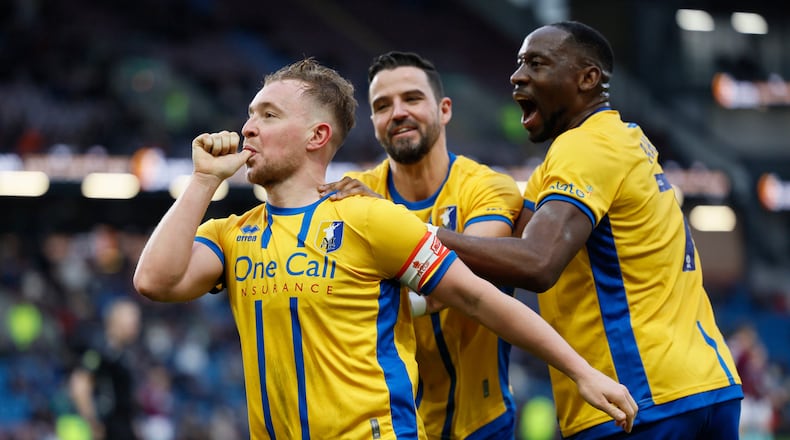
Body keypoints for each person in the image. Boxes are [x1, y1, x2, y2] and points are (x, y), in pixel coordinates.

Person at [132, 58, 637, 439]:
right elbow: (153, 281)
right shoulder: (232, 233)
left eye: (268, 114)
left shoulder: (369, 218)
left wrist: (582, 373)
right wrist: (201, 181)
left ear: (317, 135)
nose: (248, 127)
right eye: (250, 114)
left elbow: (480, 298)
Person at [422, 21, 743, 439]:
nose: (517, 75)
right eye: (519, 63)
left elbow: (537, 262)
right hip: (709, 386)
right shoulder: (624, 140)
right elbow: (500, 256)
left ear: (588, 79)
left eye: (536, 63)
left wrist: (417, 235)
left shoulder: (583, 147)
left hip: (638, 398)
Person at [319, 51, 524, 439]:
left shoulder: (487, 188)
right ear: (374, 123)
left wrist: (386, 220)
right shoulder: (349, 198)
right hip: (388, 425)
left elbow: (461, 279)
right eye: (383, 105)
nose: (397, 112)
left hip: (482, 423)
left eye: (412, 99)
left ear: (444, 109)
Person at [69, 298, 142, 440]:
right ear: (115, 320)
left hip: (122, 427)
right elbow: (79, 385)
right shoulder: (100, 349)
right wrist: (93, 424)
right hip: (108, 427)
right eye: (131, 317)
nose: (136, 323)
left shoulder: (123, 353)